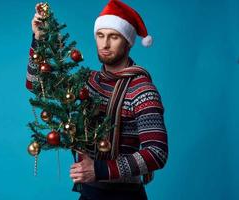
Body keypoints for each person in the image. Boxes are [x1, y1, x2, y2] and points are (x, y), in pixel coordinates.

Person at [26, 1, 168, 200]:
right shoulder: (88, 82)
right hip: (89, 194)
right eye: (100, 36)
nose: (105, 44)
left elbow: (157, 153)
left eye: (114, 37)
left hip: (125, 195)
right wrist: (38, 40)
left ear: (128, 41)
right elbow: (36, 85)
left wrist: (100, 170)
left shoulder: (142, 90)